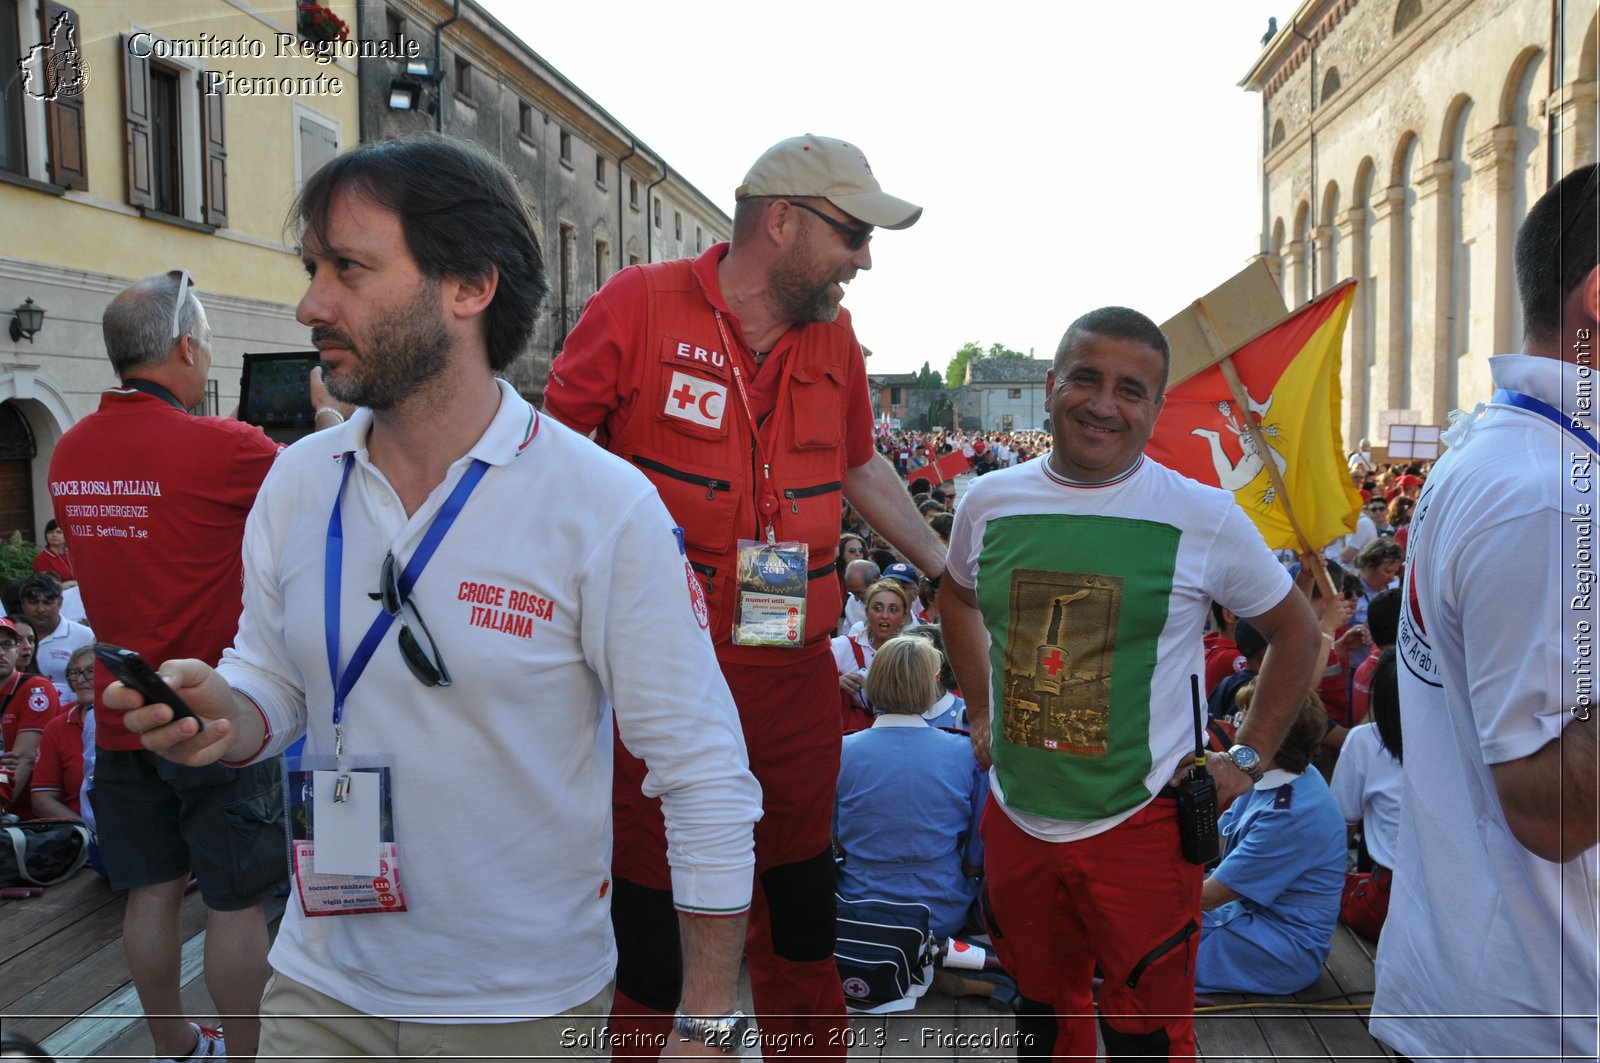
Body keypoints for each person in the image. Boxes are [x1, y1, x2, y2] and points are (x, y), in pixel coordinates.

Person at [113, 133, 762, 1061]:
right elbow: (273, 679)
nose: (310, 303)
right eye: (312, 267)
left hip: (523, 1009)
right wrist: (228, 709)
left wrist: (705, 1019)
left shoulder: (603, 507)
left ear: (469, 286)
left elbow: (704, 774)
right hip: (318, 984)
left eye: (348, 268)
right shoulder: (298, 482)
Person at [543, 133, 946, 1057]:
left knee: (804, 905)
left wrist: (940, 561)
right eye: (852, 234)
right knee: (654, 915)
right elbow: (550, 459)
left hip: (795, 678)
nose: (865, 258)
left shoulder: (835, 336)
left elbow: (857, 465)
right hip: (663, 679)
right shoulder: (636, 307)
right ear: (782, 222)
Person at [939, 305, 1321, 1058]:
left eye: (1131, 388)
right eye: (1086, 378)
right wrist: (980, 709)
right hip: (1019, 816)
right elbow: (954, 593)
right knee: (1043, 1025)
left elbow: (1299, 632)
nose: (1104, 404)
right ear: (1051, 386)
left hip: (1143, 826)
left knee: (1146, 1037)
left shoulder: (1202, 514)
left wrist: (1246, 758)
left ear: (1154, 406)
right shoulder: (988, 499)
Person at [45, 269, 342, 1063]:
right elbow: (326, 475)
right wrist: (323, 412)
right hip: (216, 712)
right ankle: (245, 1055)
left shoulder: (69, 451)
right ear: (185, 347)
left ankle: (175, 1045)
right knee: (237, 903)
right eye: (204, 342)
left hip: (119, 709)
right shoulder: (226, 446)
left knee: (151, 889)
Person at [1373, 163, 1600, 1060]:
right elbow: (1548, 809)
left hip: (1476, 990)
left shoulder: (1503, 452)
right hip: (1540, 1017)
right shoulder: (1551, 496)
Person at [1195, 689, 1346, 996]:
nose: (1237, 730)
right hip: (1247, 918)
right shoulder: (1277, 775)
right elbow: (1215, 842)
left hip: (1276, 946)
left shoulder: (1290, 813)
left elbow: (1207, 898)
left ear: (1272, 736)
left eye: (1241, 719)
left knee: (1139, 949)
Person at [834, 635, 986, 939]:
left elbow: (833, 833)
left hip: (858, 902)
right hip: (941, 909)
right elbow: (976, 847)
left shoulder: (841, 752)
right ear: (933, 682)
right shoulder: (964, 752)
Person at [1329, 648, 1403, 941]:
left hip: (1385, 905)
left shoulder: (1366, 740)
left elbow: (1341, 829)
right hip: (1455, 900)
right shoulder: (1463, 737)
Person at [834, 578, 915, 731]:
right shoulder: (843, 647)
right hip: (852, 738)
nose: (884, 615)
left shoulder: (913, 654)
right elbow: (809, 680)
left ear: (903, 617)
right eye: (877, 608)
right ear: (867, 613)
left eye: (893, 609)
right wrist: (835, 683)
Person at [0, 617, 62, 818]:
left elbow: (23, 759)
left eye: (7, 644)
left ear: (17, 649)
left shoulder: (36, 689)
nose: (1, 652)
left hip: (27, 819)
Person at [18, 574, 92, 704]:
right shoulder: (9, 636)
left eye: (48, 602)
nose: (40, 609)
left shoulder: (85, 637)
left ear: (60, 602)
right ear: (23, 604)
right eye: (34, 602)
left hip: (71, 719)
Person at [31, 519, 76, 589]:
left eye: (59, 532)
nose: (54, 535)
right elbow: (44, 585)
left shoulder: (71, 554)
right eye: (50, 532)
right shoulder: (42, 559)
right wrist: (70, 584)